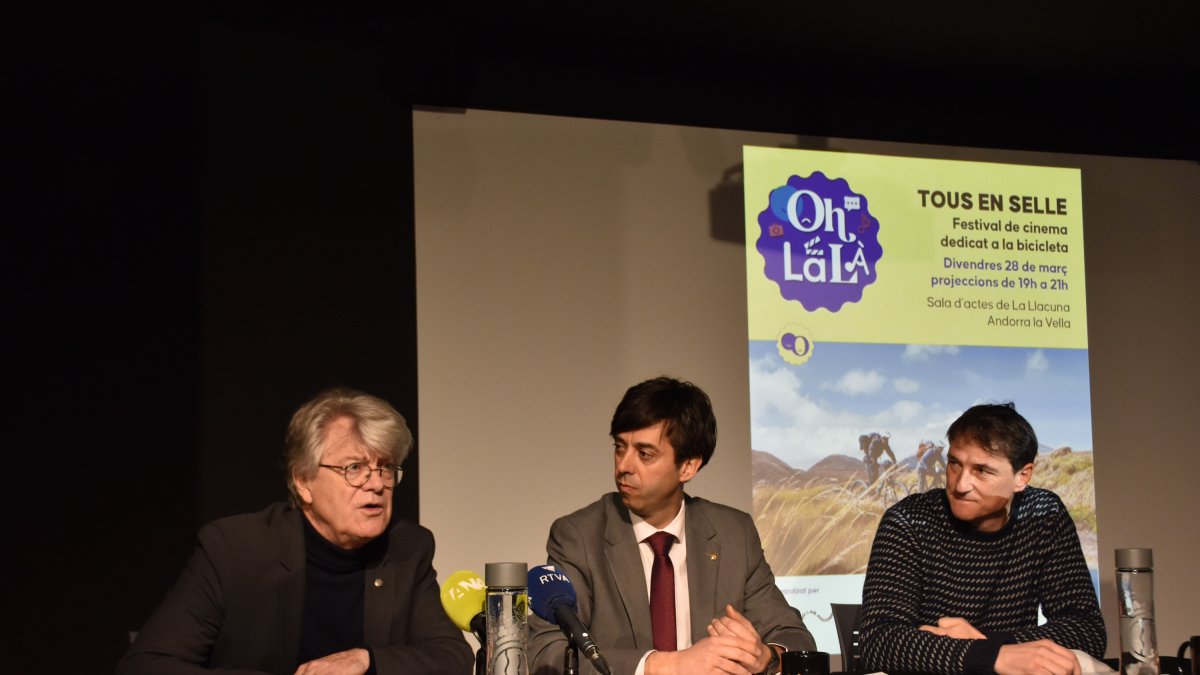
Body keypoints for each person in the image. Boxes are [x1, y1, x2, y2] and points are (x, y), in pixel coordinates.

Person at [118, 387, 472, 675]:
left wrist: (366, 659)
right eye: (354, 467)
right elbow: (146, 665)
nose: (376, 484)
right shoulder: (236, 548)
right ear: (302, 481)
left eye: (385, 467)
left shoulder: (407, 547)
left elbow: (451, 657)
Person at [528, 377, 815, 675]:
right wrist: (667, 665)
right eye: (619, 447)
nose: (624, 466)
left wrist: (766, 657)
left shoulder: (733, 534)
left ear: (688, 466)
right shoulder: (580, 536)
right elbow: (547, 652)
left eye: (645, 454)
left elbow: (795, 638)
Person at [860, 403, 1105, 675]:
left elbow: (1087, 630)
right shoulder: (907, 520)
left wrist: (991, 648)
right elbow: (879, 644)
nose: (961, 485)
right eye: (954, 464)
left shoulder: (1043, 515)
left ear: (1022, 476)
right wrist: (993, 655)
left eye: (982, 471)